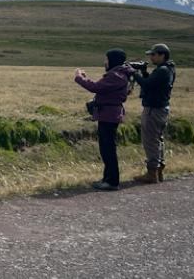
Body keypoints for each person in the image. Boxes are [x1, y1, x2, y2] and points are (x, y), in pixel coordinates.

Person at [74, 49, 134, 191]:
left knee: (108, 149)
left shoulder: (116, 75)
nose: (104, 62)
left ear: (112, 60)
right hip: (108, 114)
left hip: (109, 115)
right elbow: (100, 87)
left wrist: (79, 78)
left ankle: (112, 181)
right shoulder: (118, 74)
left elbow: (96, 87)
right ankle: (107, 178)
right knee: (106, 148)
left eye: (106, 59)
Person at [132, 43, 176, 184]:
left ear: (162, 55)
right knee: (158, 139)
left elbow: (147, 85)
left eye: (153, 54)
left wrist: (134, 73)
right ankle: (159, 171)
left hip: (153, 109)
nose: (151, 57)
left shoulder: (162, 70)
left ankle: (152, 173)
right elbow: (152, 83)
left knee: (150, 140)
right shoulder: (167, 69)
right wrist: (144, 72)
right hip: (161, 109)